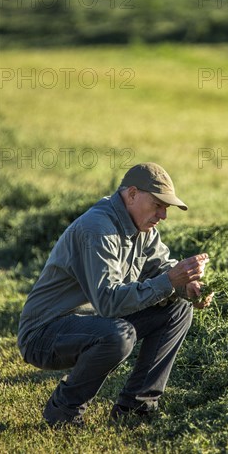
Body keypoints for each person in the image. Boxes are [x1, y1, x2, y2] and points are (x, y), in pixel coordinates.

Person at [17, 162, 213, 428]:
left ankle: (136, 409)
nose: (163, 215)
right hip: (43, 335)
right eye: (158, 204)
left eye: (166, 208)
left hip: (91, 323)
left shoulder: (143, 229)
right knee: (119, 335)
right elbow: (109, 303)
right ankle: (64, 412)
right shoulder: (97, 229)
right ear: (132, 194)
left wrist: (185, 287)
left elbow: (161, 267)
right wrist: (169, 280)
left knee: (178, 307)